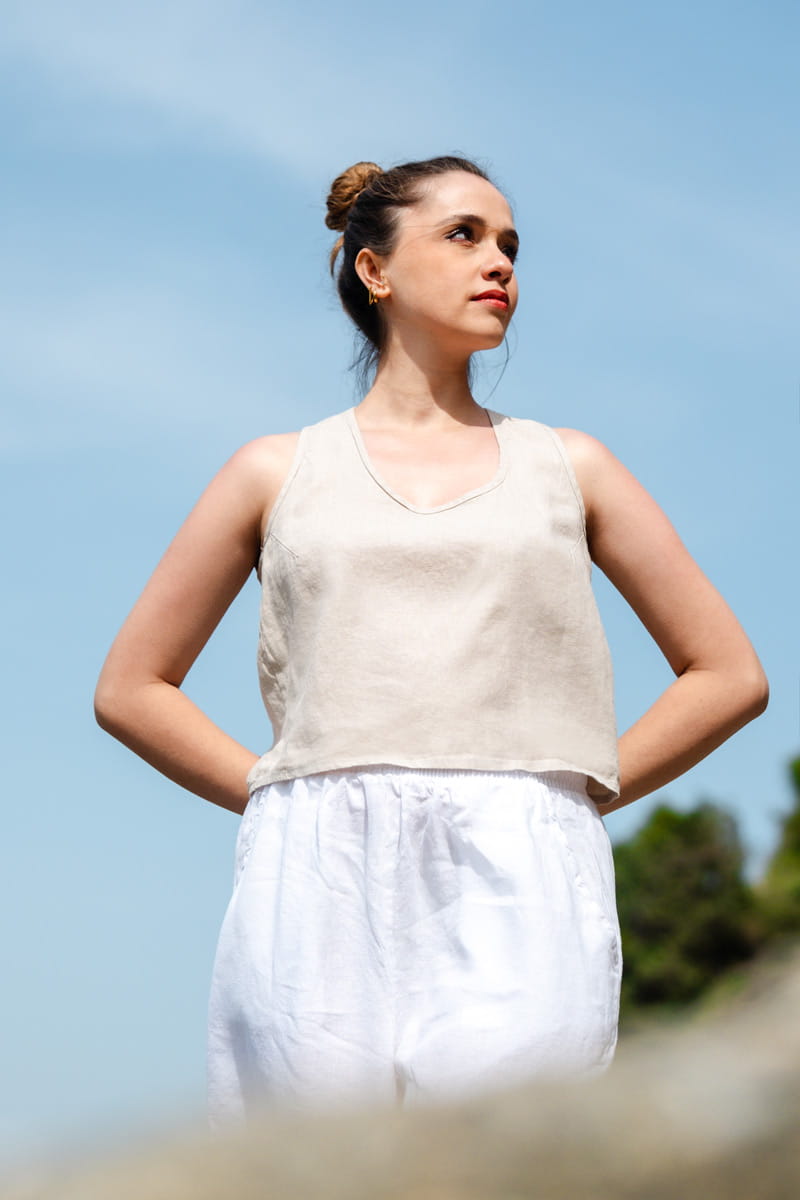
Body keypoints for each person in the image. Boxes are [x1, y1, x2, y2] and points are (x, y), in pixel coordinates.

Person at [94, 155, 768, 1123]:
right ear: (373, 270)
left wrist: (568, 790)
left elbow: (728, 673)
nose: (499, 263)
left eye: (509, 245)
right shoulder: (272, 472)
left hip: (522, 857)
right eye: (463, 235)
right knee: (316, 1172)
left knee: (511, 1161)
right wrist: (280, 795)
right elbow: (131, 687)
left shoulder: (570, 467)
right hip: (316, 860)